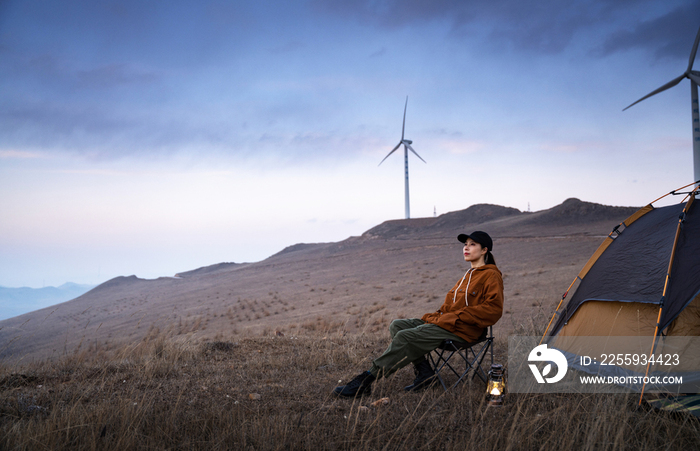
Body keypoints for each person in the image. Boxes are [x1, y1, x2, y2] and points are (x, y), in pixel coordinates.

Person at [333, 231, 504, 397]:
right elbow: (447, 308)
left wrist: (455, 317)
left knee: (405, 337)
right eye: (465, 245)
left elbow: (493, 310)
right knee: (398, 325)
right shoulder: (467, 275)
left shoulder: (491, 275)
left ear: (484, 250)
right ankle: (426, 375)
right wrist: (438, 317)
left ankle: (366, 380)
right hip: (447, 325)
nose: (466, 248)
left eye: (472, 244)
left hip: (464, 331)